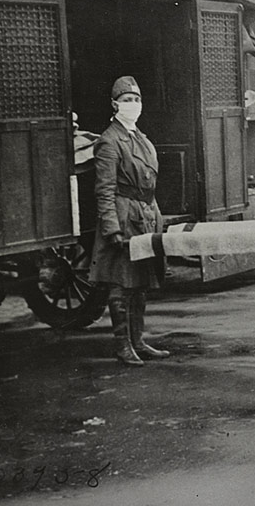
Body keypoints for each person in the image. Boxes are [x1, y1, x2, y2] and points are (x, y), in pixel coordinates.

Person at [90, 76, 169, 366]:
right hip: (123, 217)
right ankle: (123, 346)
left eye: (136, 99)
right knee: (121, 284)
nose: (132, 105)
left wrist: (156, 219)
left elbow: (149, 184)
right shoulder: (109, 141)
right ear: (114, 105)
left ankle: (138, 341)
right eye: (126, 100)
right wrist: (112, 228)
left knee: (140, 283)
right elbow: (105, 189)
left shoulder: (142, 139)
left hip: (144, 215)